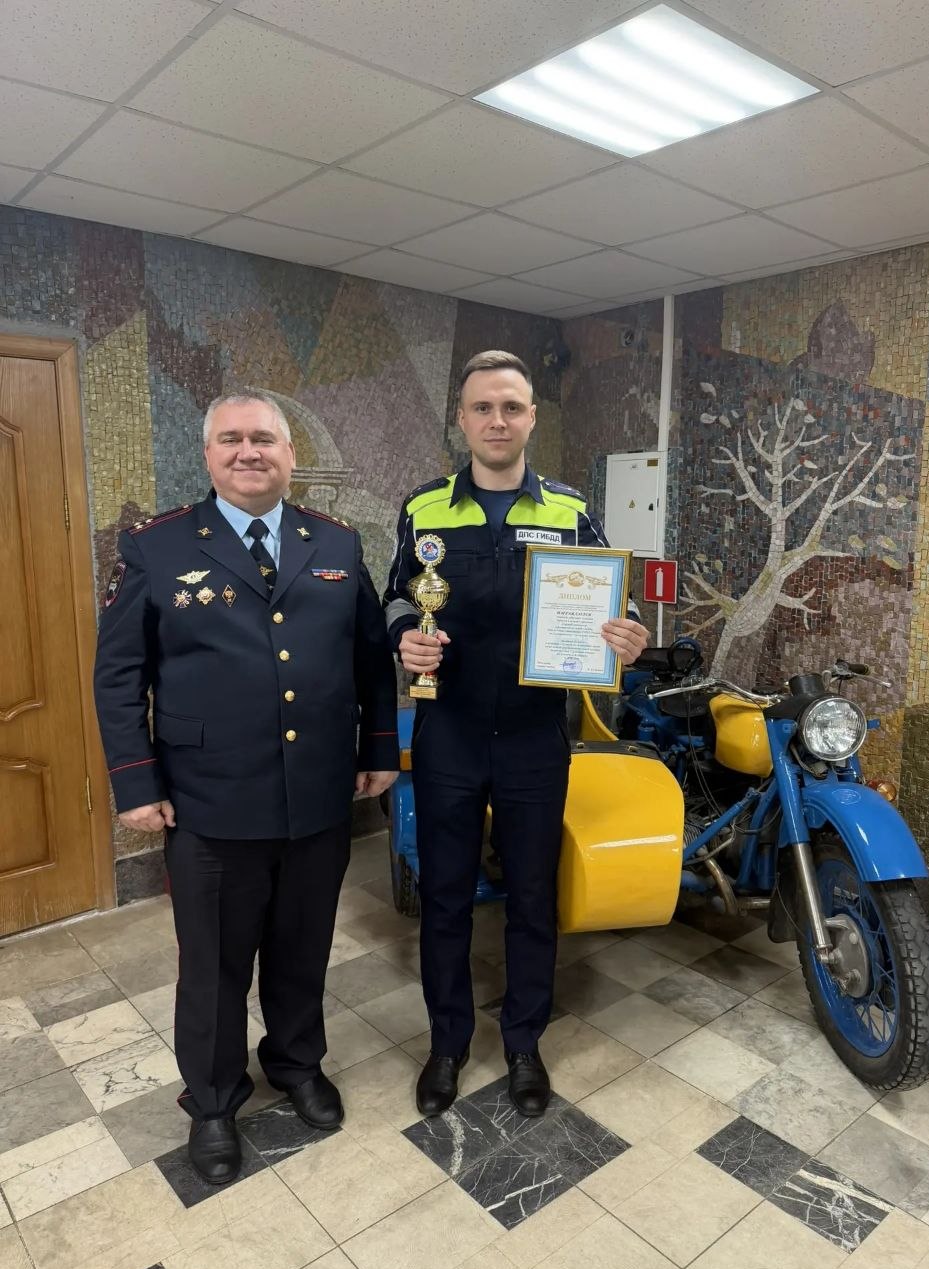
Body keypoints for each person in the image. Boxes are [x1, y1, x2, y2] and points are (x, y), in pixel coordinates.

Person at [94, 391, 398, 1185]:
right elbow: (120, 674)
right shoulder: (157, 546)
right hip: (209, 799)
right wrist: (135, 782)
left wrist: (380, 748)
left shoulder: (335, 541)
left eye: (263, 438)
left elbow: (371, 659)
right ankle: (214, 1100)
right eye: (230, 439)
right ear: (208, 455)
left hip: (317, 794)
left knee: (303, 947)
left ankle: (296, 1062)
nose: (248, 451)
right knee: (215, 965)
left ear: (290, 454)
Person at [383, 351, 649, 1118]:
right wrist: (403, 637)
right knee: (444, 895)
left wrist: (628, 634)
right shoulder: (424, 508)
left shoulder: (569, 509)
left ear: (532, 417)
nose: (496, 421)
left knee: (533, 894)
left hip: (535, 735)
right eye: (482, 408)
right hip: (449, 731)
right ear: (461, 420)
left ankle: (525, 1043)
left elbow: (614, 600)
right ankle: (447, 1044)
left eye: (511, 407)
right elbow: (396, 595)